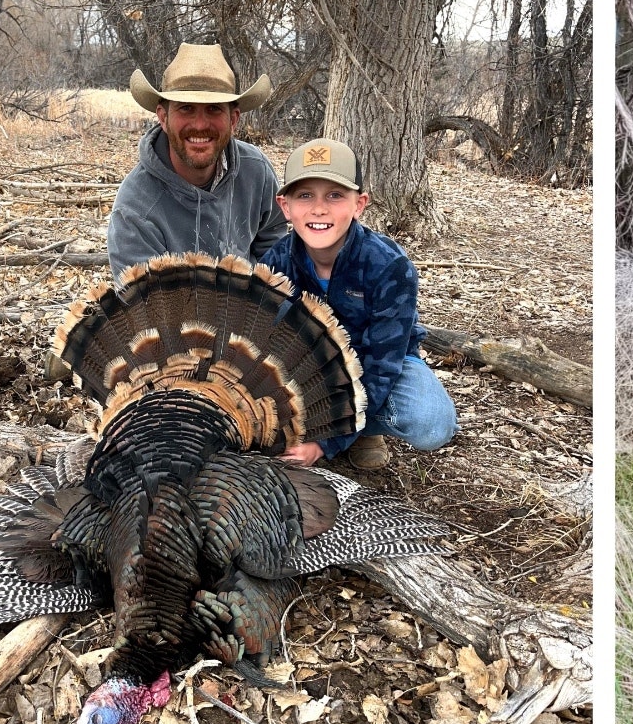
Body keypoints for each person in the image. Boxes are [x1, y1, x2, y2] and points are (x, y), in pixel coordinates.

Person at [260, 138, 457, 470]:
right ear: (285, 206)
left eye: (335, 195)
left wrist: (325, 443)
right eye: (305, 195)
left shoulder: (389, 266)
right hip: (308, 370)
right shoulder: (275, 264)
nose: (319, 208)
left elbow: (383, 367)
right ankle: (323, 426)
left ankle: (362, 431)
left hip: (374, 363)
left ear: (359, 204)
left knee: (431, 423)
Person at [108, 43, 286, 278]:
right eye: (186, 108)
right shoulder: (135, 207)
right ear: (163, 117)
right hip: (176, 314)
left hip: (252, 310)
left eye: (213, 108)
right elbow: (145, 304)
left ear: (233, 119)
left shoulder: (257, 171)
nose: (200, 124)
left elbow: (274, 252)